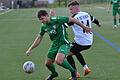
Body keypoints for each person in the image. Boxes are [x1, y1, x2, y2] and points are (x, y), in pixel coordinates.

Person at [26, 10, 92, 80]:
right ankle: (54, 74)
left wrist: (84, 27)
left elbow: (72, 19)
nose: (42, 21)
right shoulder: (43, 26)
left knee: (58, 61)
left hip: (64, 43)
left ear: (47, 16)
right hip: (54, 45)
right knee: (48, 64)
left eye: (42, 18)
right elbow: (39, 38)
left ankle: (73, 72)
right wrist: (30, 49)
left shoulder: (58, 20)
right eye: (40, 20)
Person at [65, 1, 101, 79]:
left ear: (76, 8)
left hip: (81, 42)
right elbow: (95, 20)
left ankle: (75, 73)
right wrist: (98, 24)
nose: (70, 11)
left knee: (67, 54)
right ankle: (86, 68)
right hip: (89, 41)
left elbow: (64, 25)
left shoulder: (74, 17)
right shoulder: (86, 14)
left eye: (71, 9)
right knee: (75, 51)